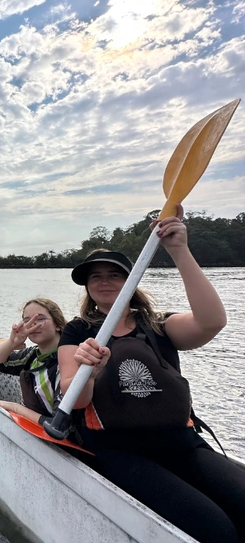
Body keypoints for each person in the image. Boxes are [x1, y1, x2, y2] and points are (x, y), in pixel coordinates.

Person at [57, 206, 245, 543]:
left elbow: (212, 322)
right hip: (121, 449)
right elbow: (76, 399)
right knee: (217, 530)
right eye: (95, 276)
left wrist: (179, 250)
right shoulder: (78, 332)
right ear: (87, 286)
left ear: (131, 280)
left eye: (114, 274)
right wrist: (91, 372)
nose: (104, 281)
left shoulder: (158, 325)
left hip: (182, 443)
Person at [0, 298, 66, 424]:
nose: (33, 324)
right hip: (36, 425)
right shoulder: (33, 354)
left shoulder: (66, 362)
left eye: (40, 319)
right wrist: (13, 342)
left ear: (58, 324)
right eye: (27, 320)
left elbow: (57, 423)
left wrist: (15, 407)